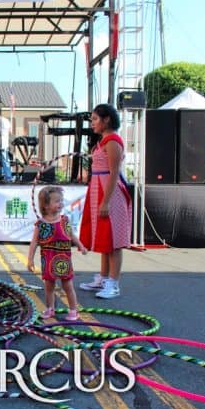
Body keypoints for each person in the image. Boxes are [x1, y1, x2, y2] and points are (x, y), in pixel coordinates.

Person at [79, 104, 132, 299]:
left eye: (94, 119)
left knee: (114, 240)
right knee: (104, 238)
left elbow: (113, 173)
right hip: (98, 188)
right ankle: (103, 278)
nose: (92, 123)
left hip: (109, 192)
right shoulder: (102, 142)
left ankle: (113, 283)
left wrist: (106, 202)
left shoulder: (112, 141)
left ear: (106, 119)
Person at [27, 186, 87, 321]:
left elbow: (72, 235)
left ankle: (73, 310)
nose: (61, 204)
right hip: (48, 258)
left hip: (63, 259)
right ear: (46, 206)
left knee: (68, 285)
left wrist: (81, 246)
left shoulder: (64, 220)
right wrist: (30, 260)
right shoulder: (40, 224)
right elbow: (34, 242)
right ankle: (50, 308)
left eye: (61, 201)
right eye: (57, 201)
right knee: (49, 287)